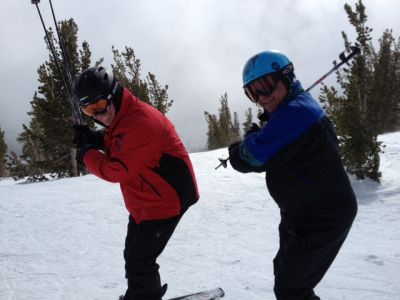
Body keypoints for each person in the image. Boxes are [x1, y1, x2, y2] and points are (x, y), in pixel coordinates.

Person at [228, 50, 358, 300]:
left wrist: (241, 145)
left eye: (265, 86)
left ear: (286, 76)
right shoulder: (294, 108)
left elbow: (247, 159)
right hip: (302, 212)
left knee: (291, 289)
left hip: (321, 218)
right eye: (253, 92)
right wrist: (270, 127)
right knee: (285, 274)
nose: (262, 97)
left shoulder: (296, 115)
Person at [72, 66, 199, 300]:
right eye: (89, 110)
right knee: (133, 253)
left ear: (114, 93)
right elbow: (119, 140)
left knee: (140, 259)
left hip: (166, 201)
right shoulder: (123, 115)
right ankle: (144, 293)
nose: (97, 116)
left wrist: (87, 154)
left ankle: (144, 296)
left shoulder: (140, 122)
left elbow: (116, 169)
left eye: (99, 106)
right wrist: (94, 138)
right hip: (147, 199)